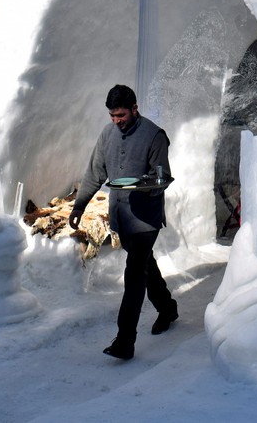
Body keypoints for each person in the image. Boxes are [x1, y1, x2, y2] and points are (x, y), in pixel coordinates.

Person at [69, 84, 178, 360]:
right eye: (112, 116)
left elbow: (162, 178)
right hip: (121, 217)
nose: (117, 121)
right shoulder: (108, 135)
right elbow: (95, 173)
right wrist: (79, 205)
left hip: (145, 220)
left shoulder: (154, 136)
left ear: (134, 109)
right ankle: (167, 308)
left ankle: (125, 340)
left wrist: (145, 185)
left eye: (121, 115)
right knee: (144, 267)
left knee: (133, 274)